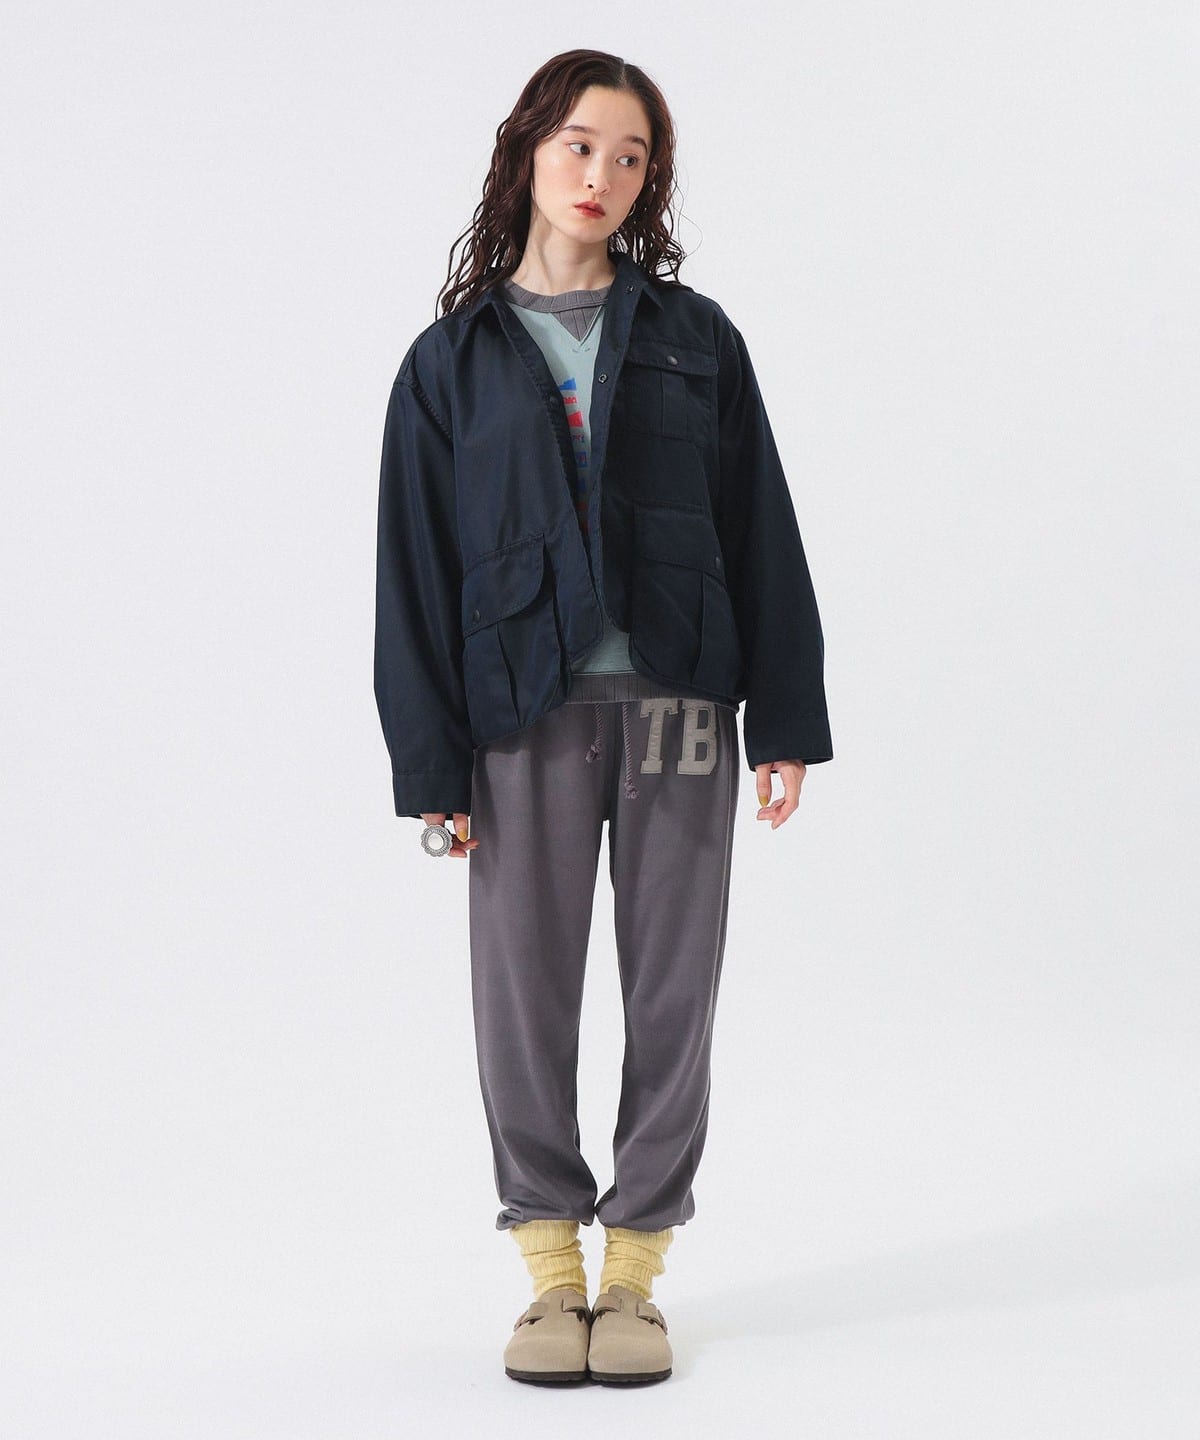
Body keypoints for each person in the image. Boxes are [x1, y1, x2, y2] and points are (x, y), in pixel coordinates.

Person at [374, 48, 833, 1386]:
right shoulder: (450, 362)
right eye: (580, 145)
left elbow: (761, 524)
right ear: (528, 150)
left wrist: (785, 717)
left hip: (681, 704)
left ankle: (633, 1269)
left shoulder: (697, 339)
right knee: (522, 998)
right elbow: (412, 570)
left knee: (673, 989)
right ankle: (547, 1276)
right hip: (520, 713)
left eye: (631, 157)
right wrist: (431, 765)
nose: (602, 176)